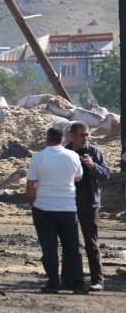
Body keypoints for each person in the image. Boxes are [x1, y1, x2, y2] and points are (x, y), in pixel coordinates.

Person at [26, 128, 87, 294]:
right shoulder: (73, 156)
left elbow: (30, 184)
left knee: (49, 248)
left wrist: (32, 202)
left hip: (44, 207)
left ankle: (53, 282)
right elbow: (79, 177)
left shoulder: (38, 157)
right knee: (72, 248)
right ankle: (79, 284)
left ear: (47, 140)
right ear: (62, 140)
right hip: (67, 207)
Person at [61, 121, 111, 292]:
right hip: (68, 200)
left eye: (87, 134)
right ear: (72, 135)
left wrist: (92, 166)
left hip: (89, 201)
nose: (85, 138)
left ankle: (97, 280)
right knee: (69, 242)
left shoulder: (93, 151)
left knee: (91, 242)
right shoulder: (64, 152)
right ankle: (68, 280)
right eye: (81, 135)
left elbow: (106, 175)